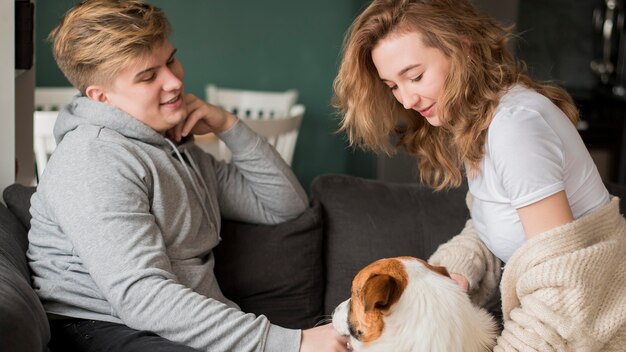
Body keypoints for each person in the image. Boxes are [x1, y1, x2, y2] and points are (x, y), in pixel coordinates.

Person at [27, 1, 349, 351]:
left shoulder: (175, 147)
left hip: (172, 325)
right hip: (103, 328)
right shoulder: (93, 159)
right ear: (101, 97)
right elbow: (141, 298)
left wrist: (229, 126)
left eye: (170, 60)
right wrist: (291, 342)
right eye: (148, 76)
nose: (174, 81)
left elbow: (284, 207)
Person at [333, 0, 626, 350]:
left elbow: (561, 284)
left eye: (415, 76)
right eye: (393, 86)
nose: (407, 99)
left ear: (461, 48)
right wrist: (445, 277)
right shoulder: (480, 125)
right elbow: (496, 228)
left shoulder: (515, 128)